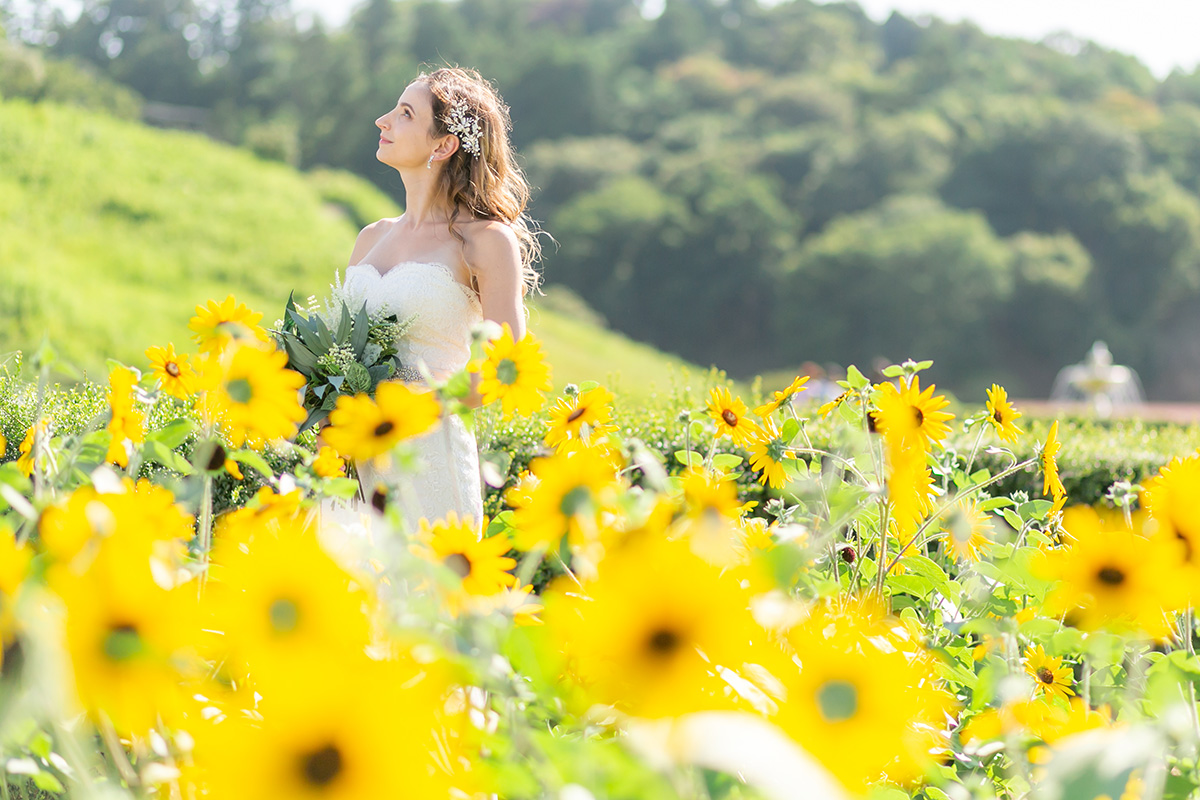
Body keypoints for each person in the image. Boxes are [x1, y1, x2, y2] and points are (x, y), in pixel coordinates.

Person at [326, 66, 540, 536]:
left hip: (428, 458)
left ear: (443, 146)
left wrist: (414, 400)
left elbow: (507, 368)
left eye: (404, 114)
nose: (383, 121)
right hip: (351, 462)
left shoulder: (485, 241)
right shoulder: (369, 238)